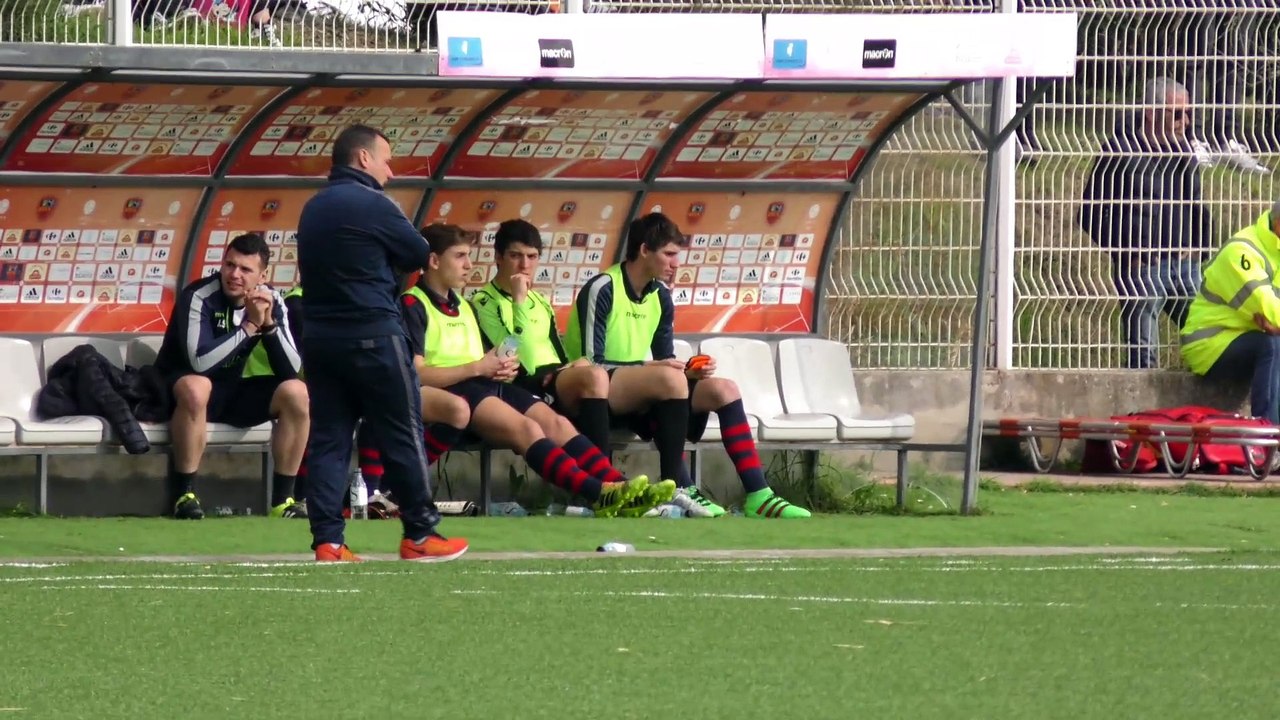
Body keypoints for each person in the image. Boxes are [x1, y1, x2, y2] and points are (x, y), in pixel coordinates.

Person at [401, 223, 674, 517]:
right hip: (455, 391)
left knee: (557, 424)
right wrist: (479, 367)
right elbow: (416, 373)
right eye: (460, 256)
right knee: (528, 429)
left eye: (468, 255)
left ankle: (621, 487)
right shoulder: (414, 303)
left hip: (486, 383)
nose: (468, 265)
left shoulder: (463, 306)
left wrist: (497, 367)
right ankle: (597, 495)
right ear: (433, 261)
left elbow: (490, 355)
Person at [565, 212, 811, 520]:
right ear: (644, 251)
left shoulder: (661, 296)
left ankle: (759, 495)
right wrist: (652, 368)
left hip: (643, 387)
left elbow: (664, 359)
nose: (675, 263)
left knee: (723, 389)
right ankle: (678, 485)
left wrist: (688, 372)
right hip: (595, 389)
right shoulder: (604, 287)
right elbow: (592, 361)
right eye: (668, 254)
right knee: (667, 380)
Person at [296, 124, 467, 563]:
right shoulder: (373, 203)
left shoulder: (312, 209)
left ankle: (329, 542)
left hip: (320, 340)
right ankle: (420, 534)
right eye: (387, 160)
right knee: (401, 433)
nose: (390, 172)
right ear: (363, 159)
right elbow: (417, 251)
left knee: (329, 439)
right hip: (374, 333)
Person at [470, 219, 699, 512]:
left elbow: (552, 347)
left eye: (532, 257)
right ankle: (603, 490)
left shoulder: (540, 301)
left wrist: (569, 365)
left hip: (555, 377)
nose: (524, 264)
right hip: (521, 382)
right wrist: (517, 300)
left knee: (599, 374)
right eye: (515, 256)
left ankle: (657, 487)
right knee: (595, 376)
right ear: (498, 257)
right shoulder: (483, 300)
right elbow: (511, 352)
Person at [153, 232, 308, 520]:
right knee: (198, 386)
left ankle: (283, 501)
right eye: (229, 265)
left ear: (262, 275)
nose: (234, 274)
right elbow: (200, 363)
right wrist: (249, 327)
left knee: (297, 392)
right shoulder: (199, 296)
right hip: (181, 394)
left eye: (245, 269)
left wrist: (269, 325)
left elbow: (291, 368)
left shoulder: (272, 299)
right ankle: (184, 494)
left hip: (231, 391)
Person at [283, 283, 471, 520]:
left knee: (452, 409)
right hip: (323, 387)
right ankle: (307, 499)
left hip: (379, 380)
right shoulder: (299, 302)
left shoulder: (375, 298)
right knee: (365, 400)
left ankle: (380, 492)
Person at [1079, 76, 1215, 370]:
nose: (1186, 122)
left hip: (1184, 265)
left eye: (1189, 113)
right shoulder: (1120, 151)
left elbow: (1196, 205)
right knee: (1143, 357)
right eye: (1177, 114)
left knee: (1210, 339)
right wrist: (1127, 254)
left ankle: (1208, 404)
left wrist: (1199, 250)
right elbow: (1089, 212)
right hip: (1143, 268)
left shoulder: (1184, 153)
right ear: (1152, 112)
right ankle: (1142, 414)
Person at [1182, 200, 1280, 424]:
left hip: (1252, 336)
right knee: (1272, 346)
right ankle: (1267, 440)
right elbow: (1270, 308)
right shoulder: (1242, 251)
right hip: (1211, 342)